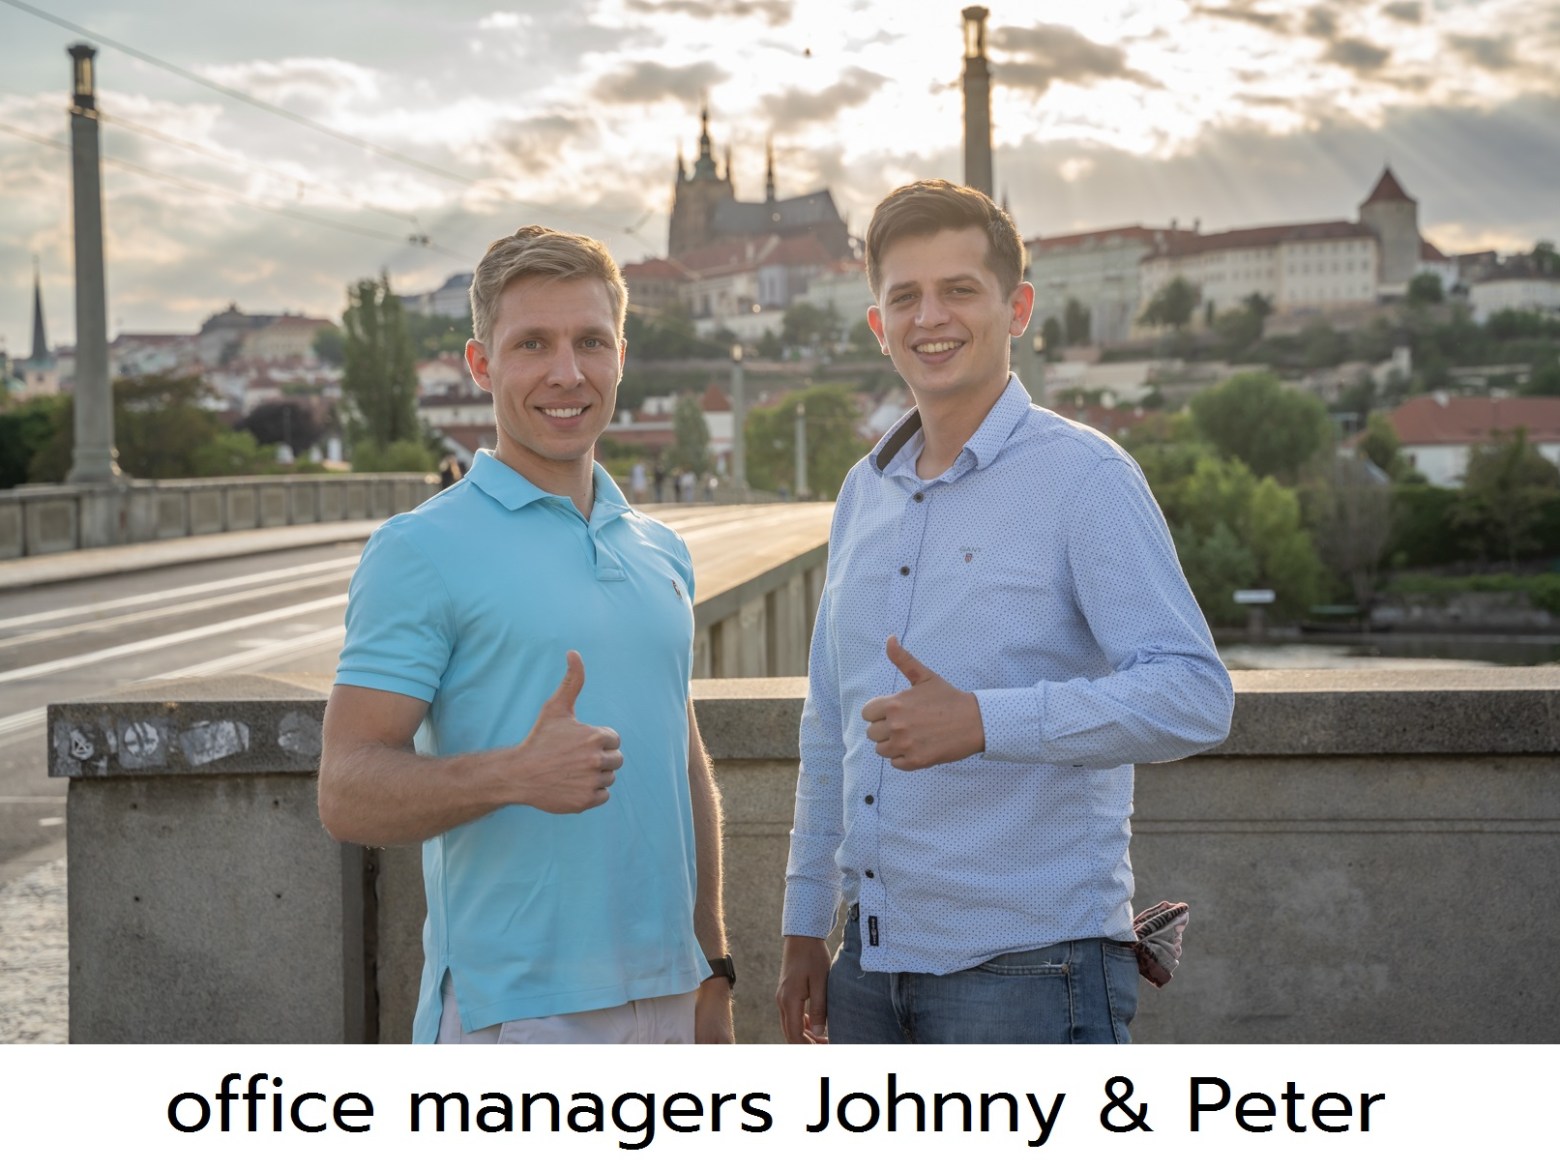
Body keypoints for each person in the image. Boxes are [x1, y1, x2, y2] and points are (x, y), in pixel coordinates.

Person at [774, 180, 1233, 1045]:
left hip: (1032, 971)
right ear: (878, 325)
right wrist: (806, 922)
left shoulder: (1085, 479)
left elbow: (1193, 695)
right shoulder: (860, 493)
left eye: (959, 290)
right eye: (904, 296)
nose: (929, 316)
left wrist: (984, 721)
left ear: (1016, 308)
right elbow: (827, 722)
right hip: (868, 969)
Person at [319, 224, 735, 1045]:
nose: (566, 373)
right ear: (481, 365)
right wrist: (513, 773)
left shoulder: (661, 551)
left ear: (621, 353)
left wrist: (713, 969)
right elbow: (345, 789)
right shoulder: (419, 549)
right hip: (519, 1012)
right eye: (532, 344)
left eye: (590, 342)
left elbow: (682, 764)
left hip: (672, 999)